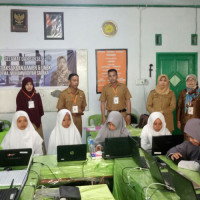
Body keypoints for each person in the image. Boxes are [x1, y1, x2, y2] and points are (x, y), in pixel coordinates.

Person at [16, 77, 46, 154]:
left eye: (31, 84)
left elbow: (40, 109)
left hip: (38, 123)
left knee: (39, 141)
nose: (29, 86)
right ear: (23, 85)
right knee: (30, 142)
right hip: (27, 124)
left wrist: (37, 119)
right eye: (27, 84)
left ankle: (42, 157)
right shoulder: (20, 96)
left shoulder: (36, 94)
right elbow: (19, 112)